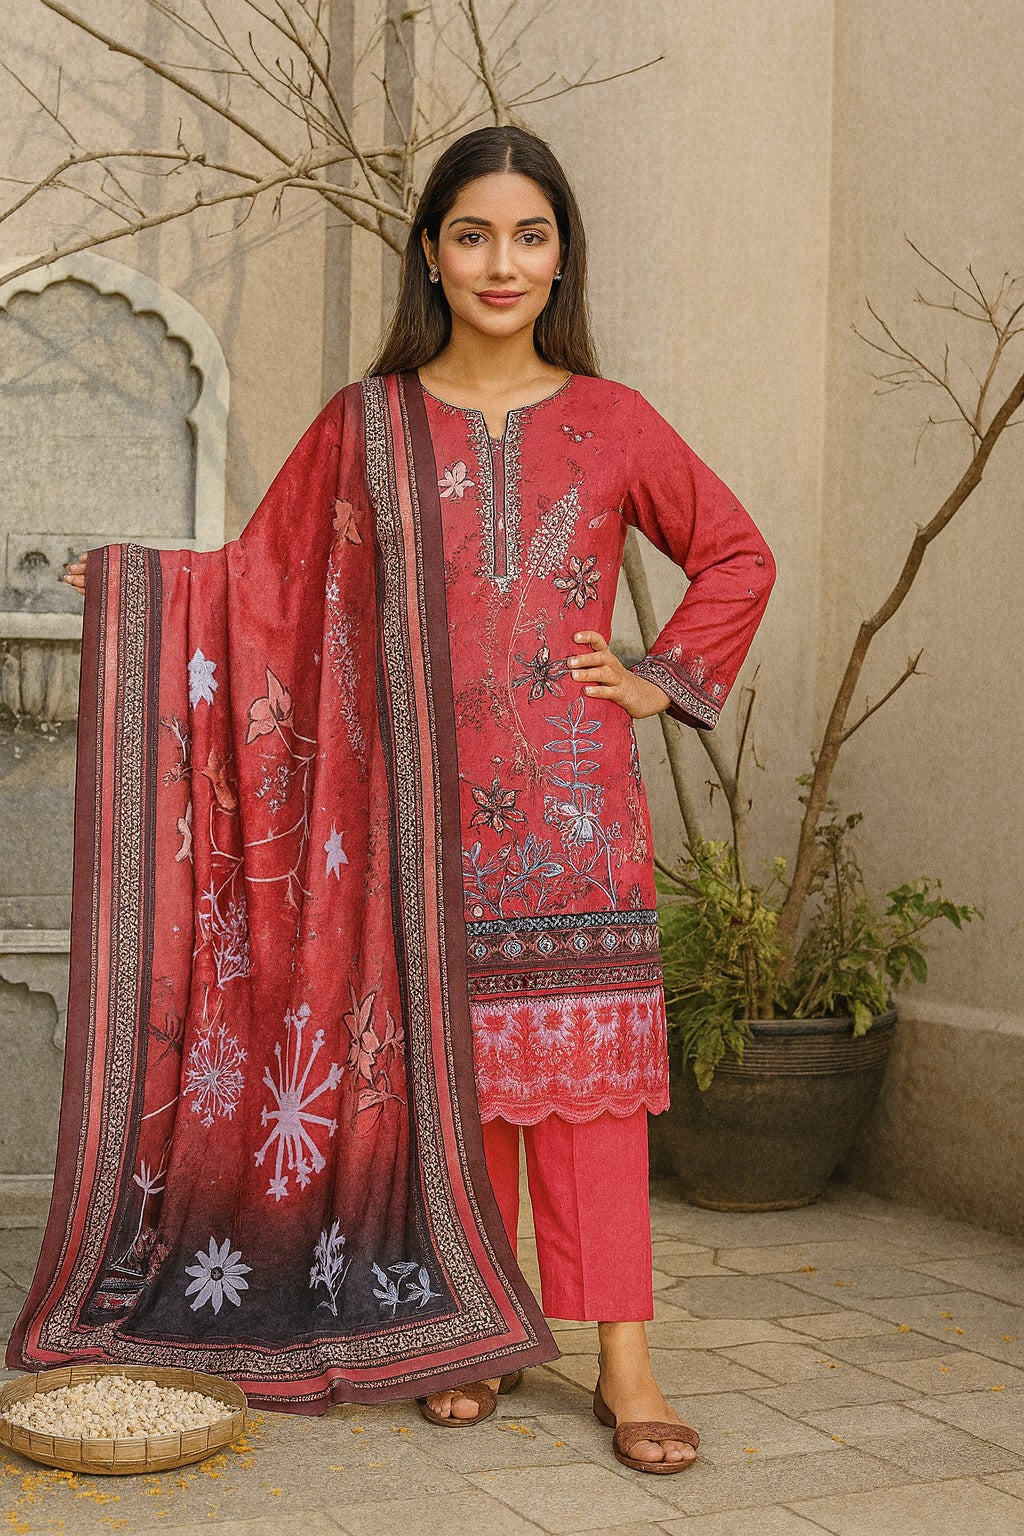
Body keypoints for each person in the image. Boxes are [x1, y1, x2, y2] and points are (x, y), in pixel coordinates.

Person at [42, 125, 774, 1474]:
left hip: (577, 822)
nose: (505, 262)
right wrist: (141, 599)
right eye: (476, 234)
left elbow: (735, 553)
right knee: (458, 1088)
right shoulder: (367, 424)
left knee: (592, 1103)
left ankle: (625, 1364)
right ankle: (470, 1338)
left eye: (532, 235)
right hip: (409, 824)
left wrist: (660, 679)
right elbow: (261, 587)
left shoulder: (612, 423)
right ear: (432, 253)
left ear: (563, 256)